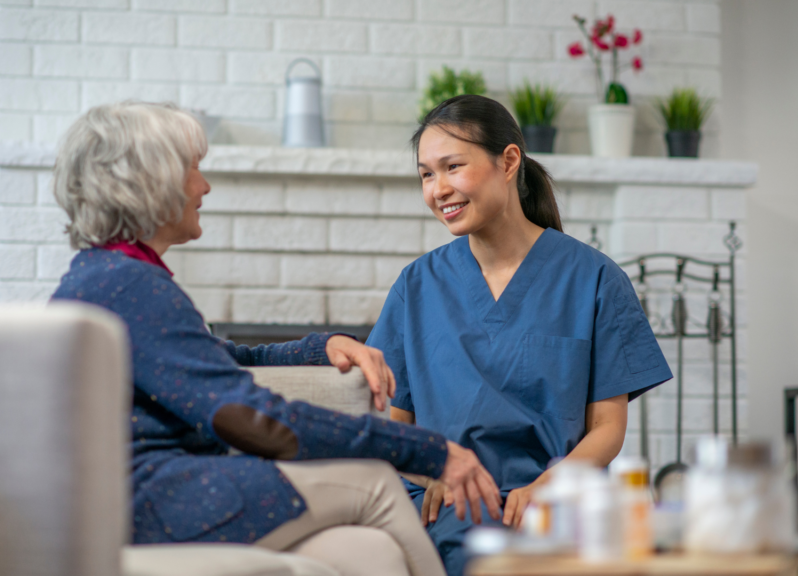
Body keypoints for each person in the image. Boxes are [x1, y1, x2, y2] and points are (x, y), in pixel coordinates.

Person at [48, 101, 503, 576]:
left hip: (146, 502)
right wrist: (434, 451)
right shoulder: (131, 287)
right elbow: (256, 417)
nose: (204, 186)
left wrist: (316, 349)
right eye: (193, 169)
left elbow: (224, 361)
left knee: (369, 555)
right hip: (154, 504)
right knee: (373, 482)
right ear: (152, 181)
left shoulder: (106, 278)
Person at [365, 95, 673, 576]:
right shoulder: (416, 286)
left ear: (508, 161)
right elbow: (391, 424)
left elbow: (608, 429)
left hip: (554, 497)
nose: (438, 189)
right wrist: (427, 471)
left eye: (453, 167)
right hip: (450, 500)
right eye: (426, 174)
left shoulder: (593, 278)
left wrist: (549, 488)